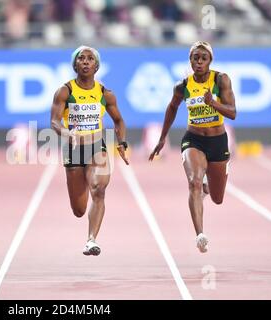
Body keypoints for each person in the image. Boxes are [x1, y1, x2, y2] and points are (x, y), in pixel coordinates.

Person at [149, 41, 236, 253]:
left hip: (217, 141)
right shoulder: (183, 86)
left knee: (217, 198)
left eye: (203, 58)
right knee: (194, 182)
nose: (199, 62)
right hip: (193, 139)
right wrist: (162, 138)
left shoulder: (220, 79)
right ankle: (200, 235)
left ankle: (209, 185)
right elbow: (172, 107)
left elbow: (233, 112)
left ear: (210, 61)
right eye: (195, 58)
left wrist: (213, 103)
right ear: (190, 60)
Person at [50, 45, 129, 256]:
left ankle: (91, 240)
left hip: (96, 146)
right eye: (81, 58)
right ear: (75, 64)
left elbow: (119, 120)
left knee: (99, 190)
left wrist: (121, 142)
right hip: (73, 149)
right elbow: (54, 122)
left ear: (97, 66)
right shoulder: (65, 91)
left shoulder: (105, 94)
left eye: (90, 59)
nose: (85, 62)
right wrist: (66, 133)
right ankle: (85, 183)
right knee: (78, 210)